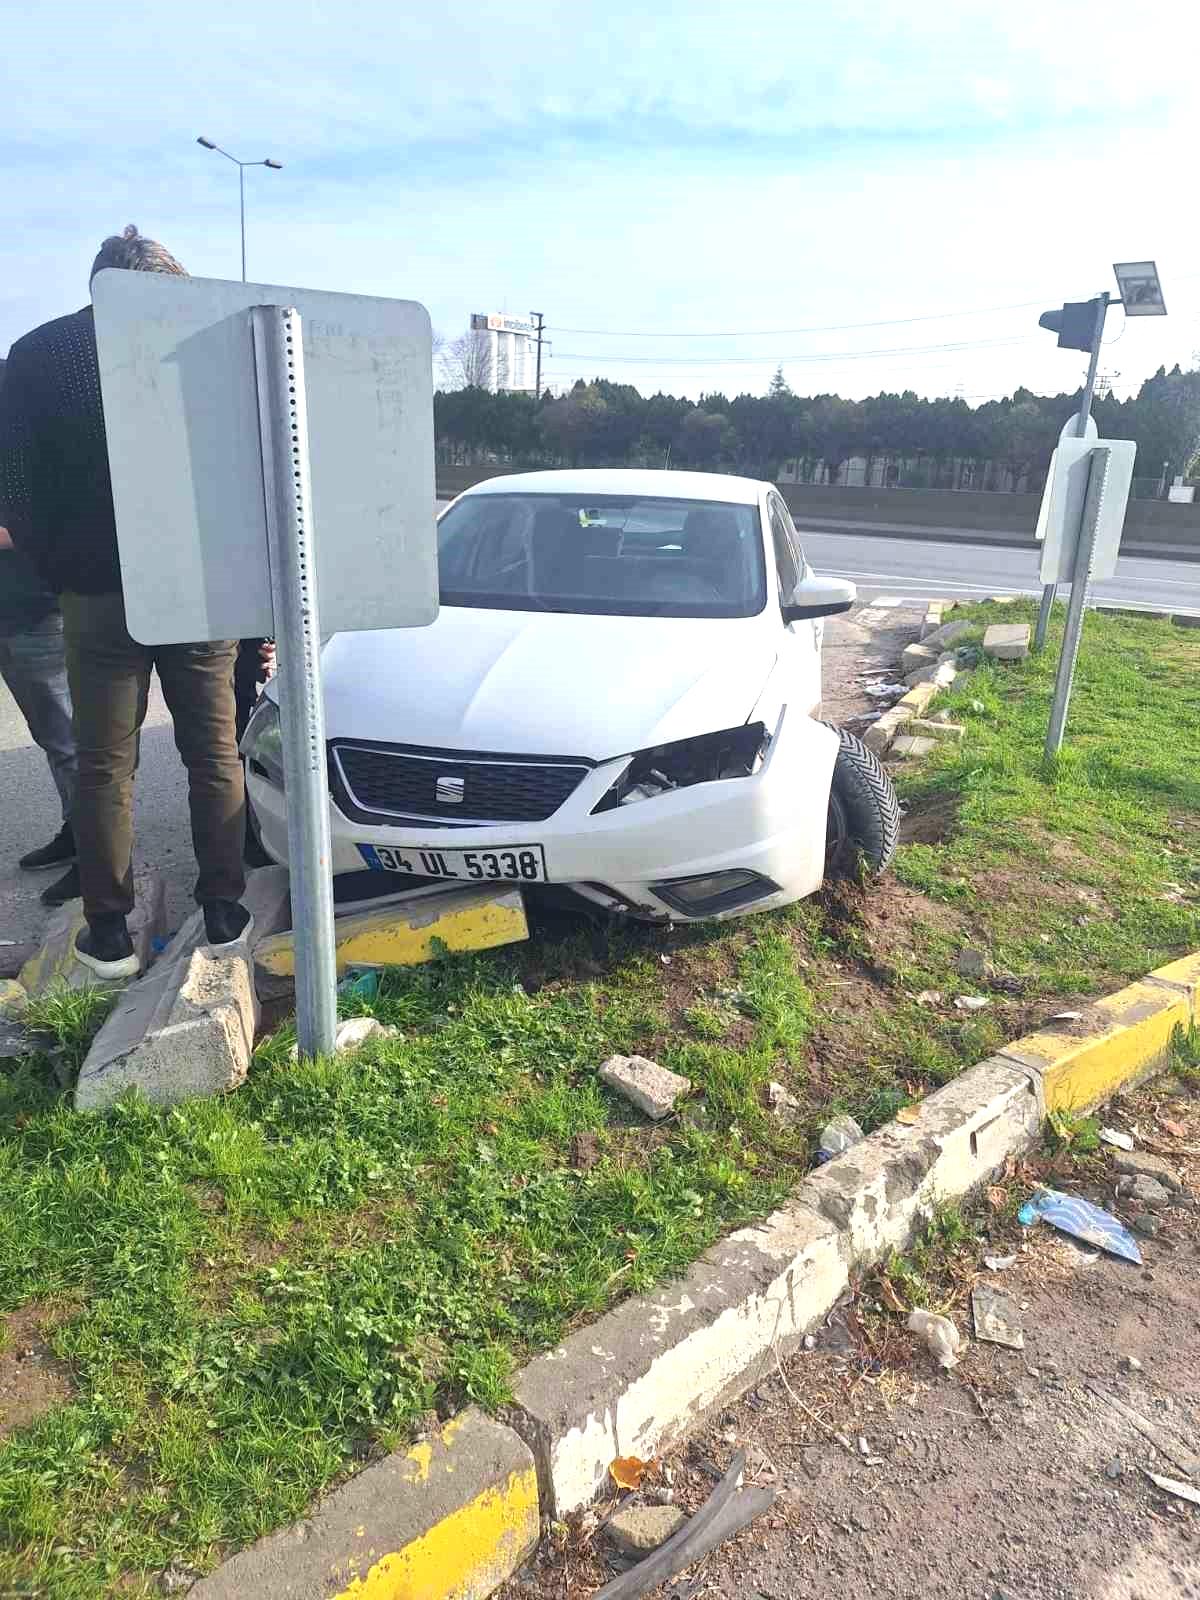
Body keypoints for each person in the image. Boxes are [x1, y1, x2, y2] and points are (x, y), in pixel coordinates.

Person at [0, 226, 253, 980]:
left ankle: (106, 932)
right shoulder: (207, 352)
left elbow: (16, 486)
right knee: (211, 751)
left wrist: (58, 567)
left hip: (95, 590)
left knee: (105, 762)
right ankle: (225, 910)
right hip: (200, 586)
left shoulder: (38, 357)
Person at [0, 360, 80, 906]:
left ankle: (95, 856)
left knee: (67, 741)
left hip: (32, 611)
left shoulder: (24, 409)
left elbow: (49, 514)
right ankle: (79, 836)